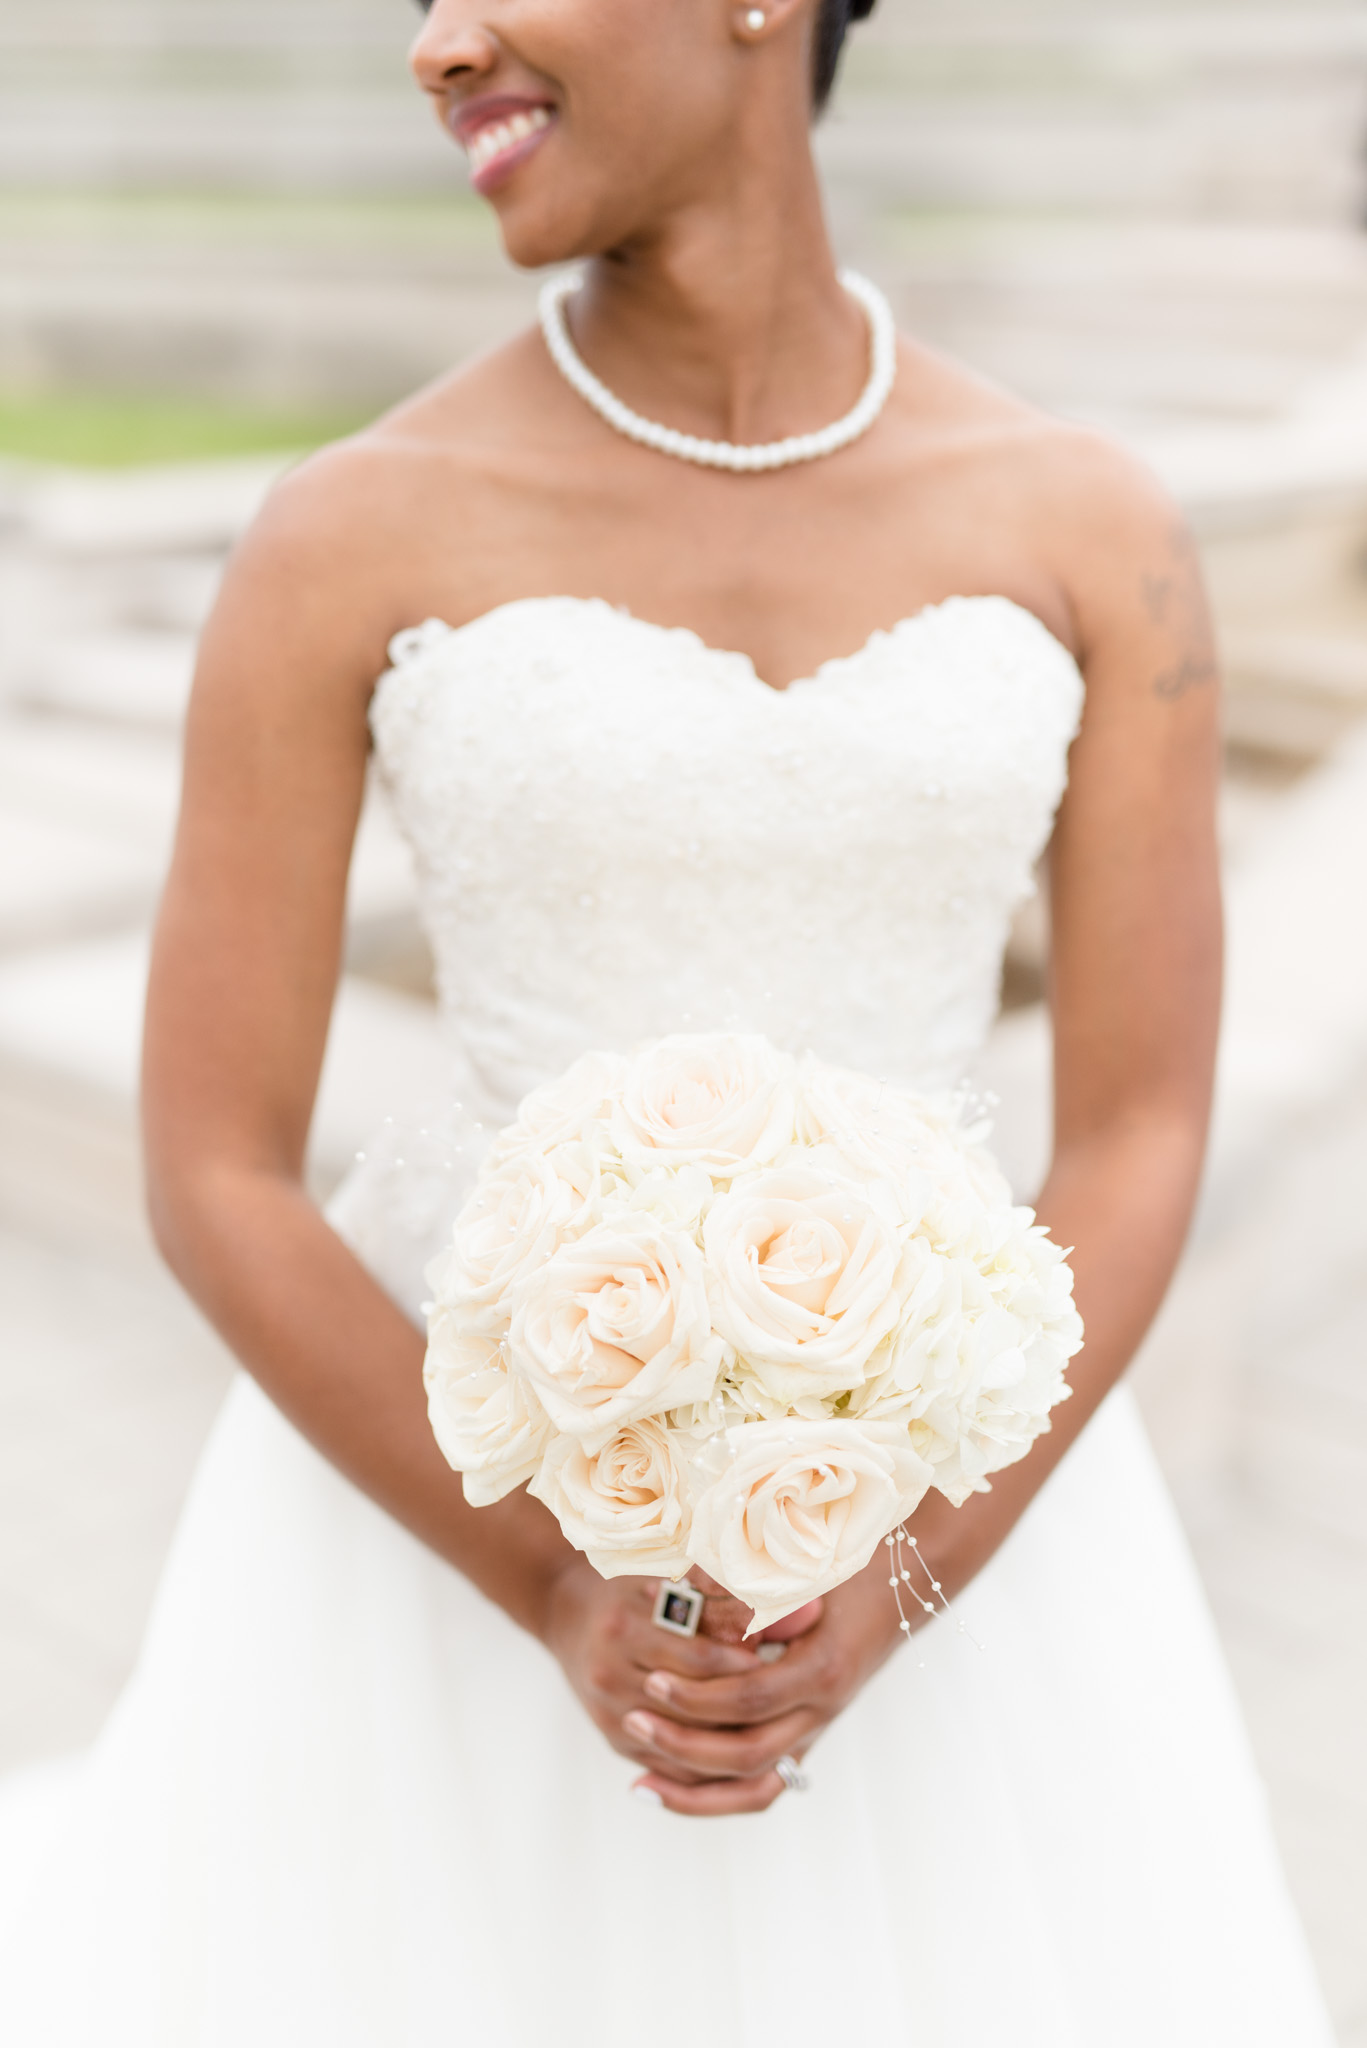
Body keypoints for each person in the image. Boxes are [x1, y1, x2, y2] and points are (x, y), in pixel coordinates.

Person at [0, 1, 1339, 2041]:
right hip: (446, 1555)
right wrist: (551, 1580)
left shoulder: (1095, 534)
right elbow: (214, 1161)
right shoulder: (347, 533)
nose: (439, 45)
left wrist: (896, 1582)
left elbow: (1139, 1124)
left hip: (970, 1548)